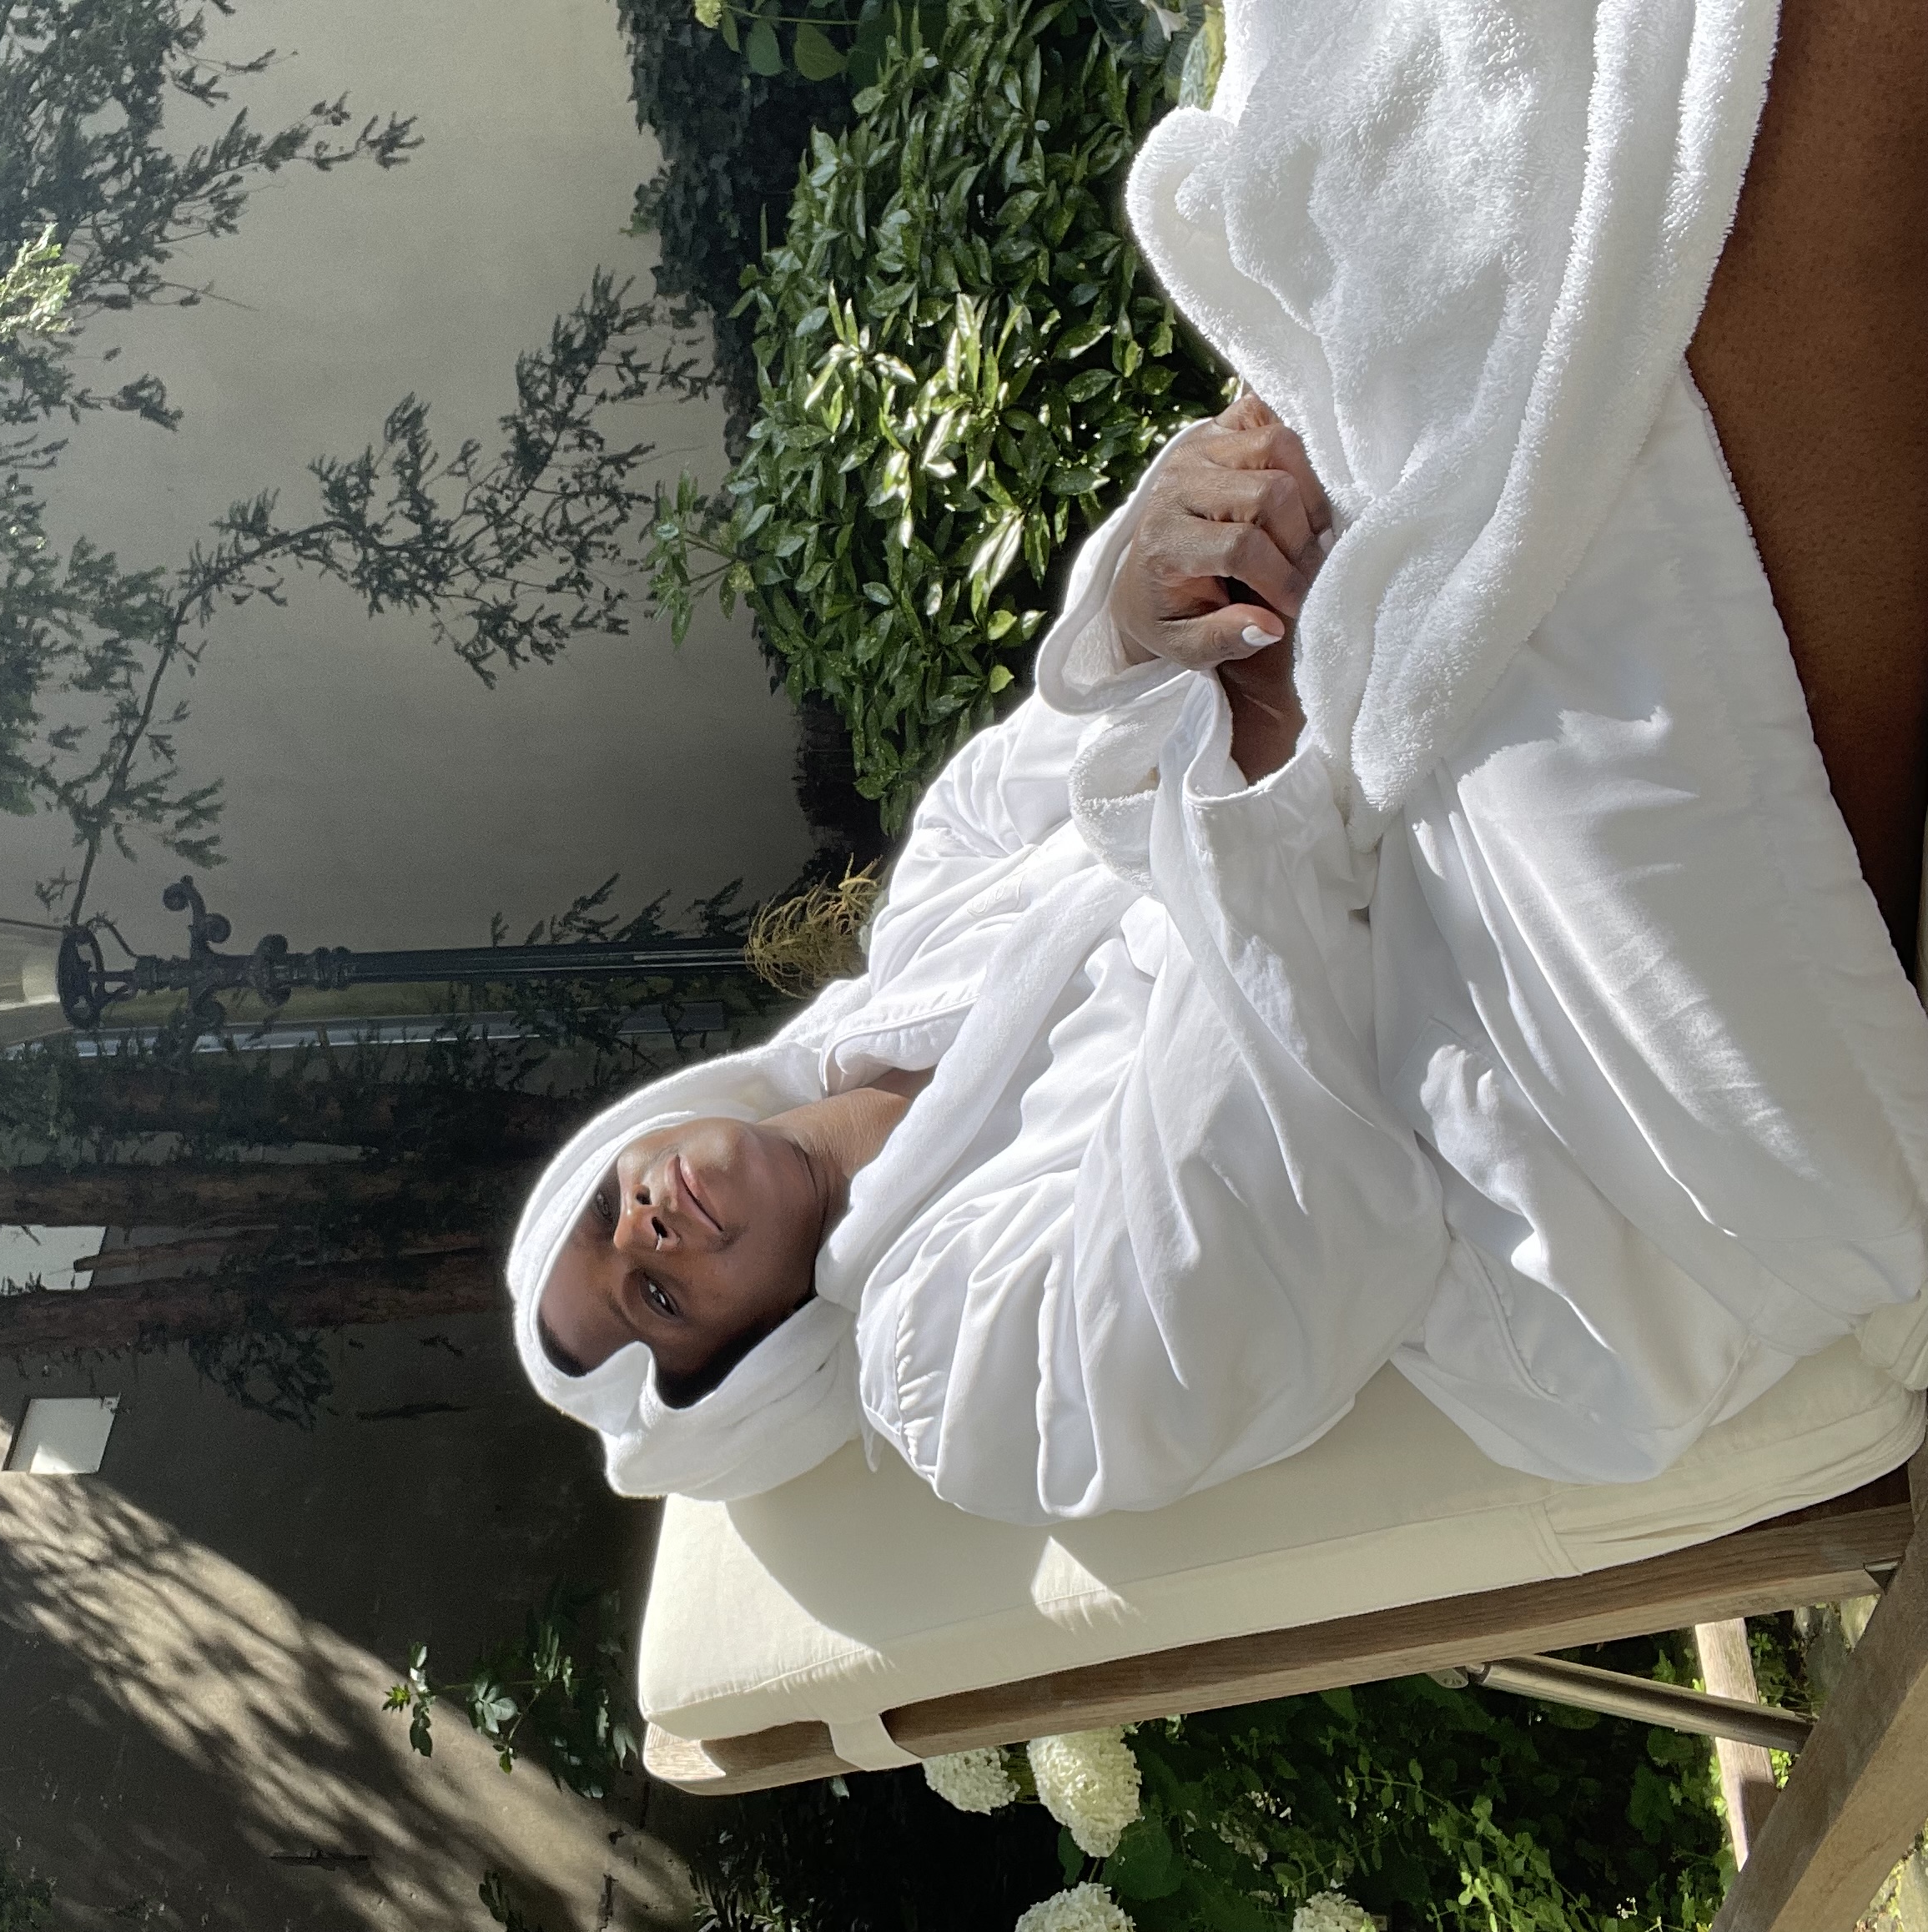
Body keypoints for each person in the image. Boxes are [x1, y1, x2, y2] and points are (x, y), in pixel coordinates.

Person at [511, 0, 1928, 1522]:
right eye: (655, 1300)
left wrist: (1151, 593)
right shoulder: (968, 1379)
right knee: (1597, 588)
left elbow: (1062, 730)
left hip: (1368, 726)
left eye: (609, 1210)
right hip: (1522, 1099)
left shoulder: (919, 952)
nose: (650, 1227)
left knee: (1359, 146)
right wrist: (1255, 745)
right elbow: (1300, 1215)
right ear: (747, 1364)